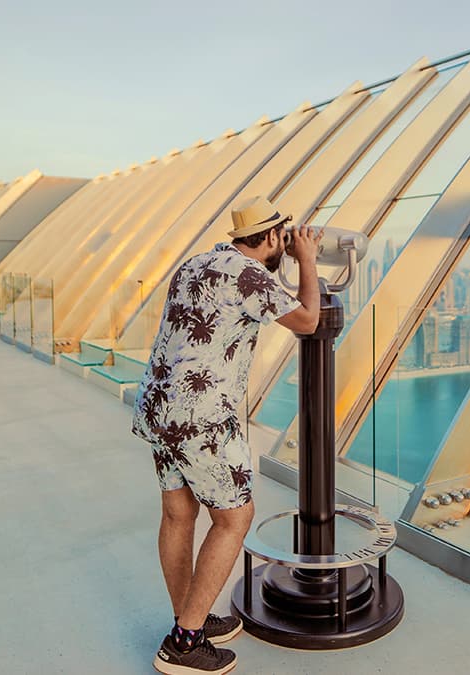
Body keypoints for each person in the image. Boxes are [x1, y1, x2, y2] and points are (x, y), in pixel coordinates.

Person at [132, 195, 321, 675]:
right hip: (201, 416)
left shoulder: (199, 261)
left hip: (160, 407)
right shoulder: (249, 273)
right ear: (273, 236)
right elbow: (307, 320)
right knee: (235, 518)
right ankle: (185, 644)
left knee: (179, 514)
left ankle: (186, 619)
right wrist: (309, 262)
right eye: (285, 235)